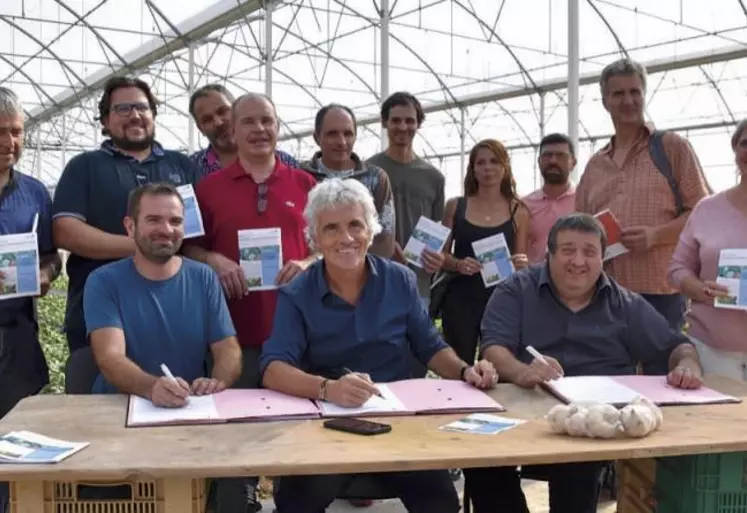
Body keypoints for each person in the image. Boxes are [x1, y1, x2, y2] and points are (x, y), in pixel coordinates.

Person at [260, 178, 497, 513]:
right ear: (314, 238)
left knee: (441, 500)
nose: (346, 238)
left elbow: (429, 345)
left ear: (371, 231)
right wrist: (328, 389)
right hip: (326, 425)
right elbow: (272, 368)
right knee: (296, 502)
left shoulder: (399, 280)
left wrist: (465, 370)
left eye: (355, 225)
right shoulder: (297, 295)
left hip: (396, 422)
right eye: (331, 228)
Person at [463, 213, 703, 513]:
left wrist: (687, 366)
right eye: (567, 250)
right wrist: (522, 371)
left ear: (603, 258)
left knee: (577, 467)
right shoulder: (516, 290)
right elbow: (493, 347)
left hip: (589, 422)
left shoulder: (624, 304)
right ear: (548, 254)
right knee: (481, 463)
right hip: (522, 411)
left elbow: (677, 346)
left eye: (589, 252)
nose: (578, 261)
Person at [183, 92, 318, 513]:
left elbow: (330, 245)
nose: (259, 130)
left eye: (267, 121)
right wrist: (214, 259)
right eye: (249, 123)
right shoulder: (207, 190)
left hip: (296, 337)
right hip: (232, 336)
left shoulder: (306, 185)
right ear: (233, 130)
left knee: (294, 442)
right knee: (233, 442)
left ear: (278, 127)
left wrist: (307, 262)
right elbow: (186, 249)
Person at [52, 76, 204, 355]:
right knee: (100, 391)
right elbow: (66, 230)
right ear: (105, 121)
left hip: (173, 313)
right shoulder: (84, 167)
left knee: (176, 391)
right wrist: (145, 247)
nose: (134, 115)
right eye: (122, 109)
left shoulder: (181, 165)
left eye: (142, 107)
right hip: (101, 315)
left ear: (153, 115)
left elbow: (195, 233)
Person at [574, 58, 711, 348]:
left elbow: (702, 212)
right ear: (605, 101)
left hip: (661, 291)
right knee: (610, 374)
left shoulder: (671, 148)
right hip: (606, 291)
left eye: (635, 92)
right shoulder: (595, 165)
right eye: (618, 93)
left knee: (660, 374)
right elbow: (580, 225)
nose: (628, 100)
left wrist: (655, 236)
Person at [83, 182, 241, 398]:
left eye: (175, 221)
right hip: (120, 407)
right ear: (130, 227)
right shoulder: (103, 281)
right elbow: (110, 357)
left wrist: (215, 383)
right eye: (153, 220)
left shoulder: (203, 277)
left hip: (188, 404)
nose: (166, 230)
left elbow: (228, 349)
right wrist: (151, 387)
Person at [0, 87, 62, 513]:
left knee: (13, 439)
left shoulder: (35, 193)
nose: (9, 143)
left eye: (16, 132)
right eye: (0, 133)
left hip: (17, 335)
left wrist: (45, 274)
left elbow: (51, 256)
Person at [669, 120, 747, 381]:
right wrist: (699, 289)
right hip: (709, 354)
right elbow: (677, 269)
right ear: (735, 149)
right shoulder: (707, 209)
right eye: (745, 144)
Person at [439, 139, 530, 364]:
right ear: (473, 169)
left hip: (500, 301)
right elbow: (441, 256)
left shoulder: (518, 210)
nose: (487, 168)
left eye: (494, 161)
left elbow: (520, 262)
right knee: (459, 366)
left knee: (497, 366)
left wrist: (521, 263)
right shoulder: (455, 206)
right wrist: (458, 264)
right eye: (480, 162)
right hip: (460, 300)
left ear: (505, 167)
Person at [367, 92, 445, 304]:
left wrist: (438, 258)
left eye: (410, 120)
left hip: (417, 283)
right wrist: (385, 245)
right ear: (385, 123)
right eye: (396, 120)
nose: (403, 127)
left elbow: (435, 228)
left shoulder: (433, 177)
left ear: (418, 124)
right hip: (374, 278)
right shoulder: (368, 171)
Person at [300, 103, 395, 258]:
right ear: (317, 138)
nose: (342, 142)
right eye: (332, 134)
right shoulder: (302, 176)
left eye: (348, 134)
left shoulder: (375, 178)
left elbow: (385, 236)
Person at [188, 83, 299, 173]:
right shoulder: (188, 168)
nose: (218, 122)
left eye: (223, 111)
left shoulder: (286, 162)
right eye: (207, 119)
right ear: (200, 128)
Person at [523, 133, 577, 264]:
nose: (553, 161)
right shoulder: (524, 205)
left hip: (575, 278)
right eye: (547, 155)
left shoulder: (585, 199)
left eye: (560, 156)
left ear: (573, 162)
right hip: (535, 281)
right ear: (539, 161)